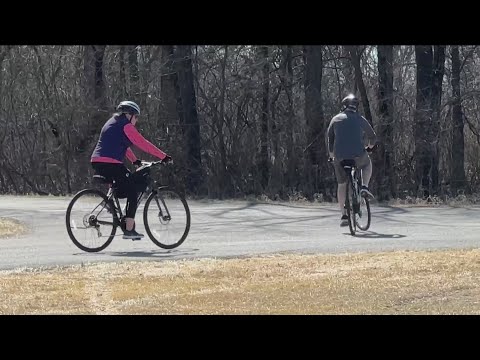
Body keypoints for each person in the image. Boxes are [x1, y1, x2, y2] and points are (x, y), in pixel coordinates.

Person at [91, 100, 172, 239]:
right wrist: (163, 156)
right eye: (136, 117)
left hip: (97, 161)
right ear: (129, 114)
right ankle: (129, 229)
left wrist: (135, 160)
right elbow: (142, 143)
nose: (136, 120)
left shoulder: (112, 122)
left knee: (125, 181)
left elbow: (123, 146)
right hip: (110, 163)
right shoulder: (126, 125)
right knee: (132, 190)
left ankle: (110, 203)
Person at [326, 94, 377, 227]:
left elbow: (330, 139)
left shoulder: (335, 119)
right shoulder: (360, 119)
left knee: (342, 184)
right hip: (358, 155)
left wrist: (331, 155)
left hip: (340, 157)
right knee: (367, 164)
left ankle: (343, 215)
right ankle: (364, 186)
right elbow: (373, 137)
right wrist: (369, 147)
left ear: (343, 106)